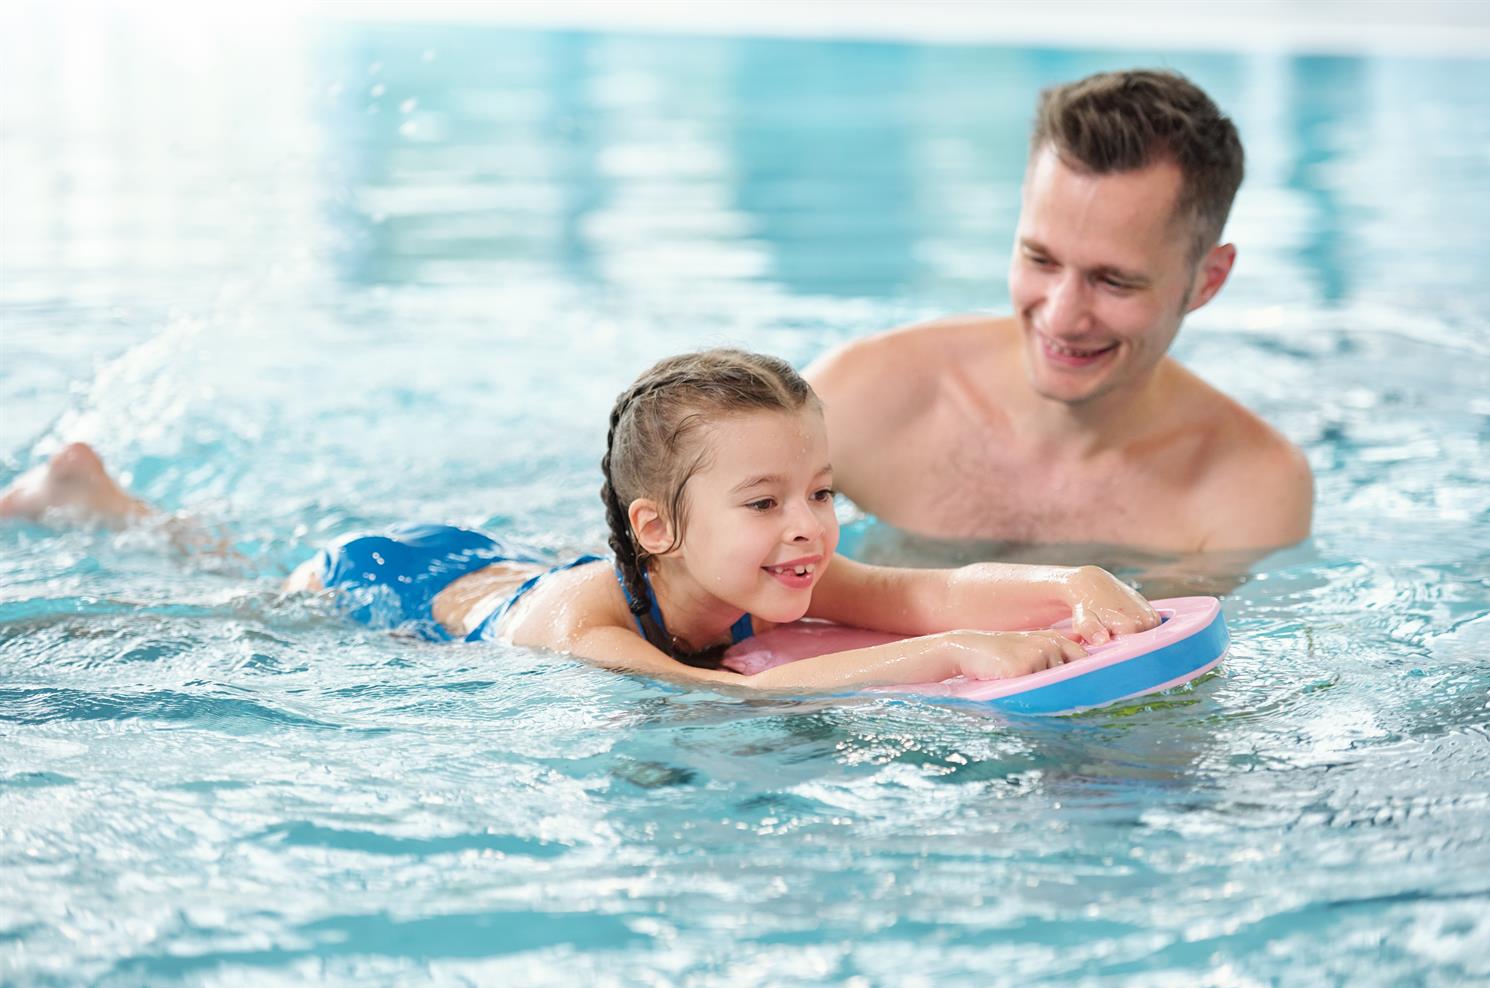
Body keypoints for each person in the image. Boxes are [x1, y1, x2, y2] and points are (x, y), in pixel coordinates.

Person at [2, 349, 1161, 692]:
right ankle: (95, 503)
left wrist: (1075, 583)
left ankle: (97, 492)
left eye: (821, 489)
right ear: (660, 526)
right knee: (221, 591)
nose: (809, 525)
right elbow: (731, 696)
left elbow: (926, 588)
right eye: (765, 500)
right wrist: (959, 654)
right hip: (383, 590)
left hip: (495, 558)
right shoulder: (584, 627)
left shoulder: (774, 562)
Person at [807, 69, 1313, 553]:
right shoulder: (860, 399)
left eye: (1113, 281)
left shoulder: (1247, 491)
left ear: (1208, 279)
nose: (1061, 318)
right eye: (1040, 259)